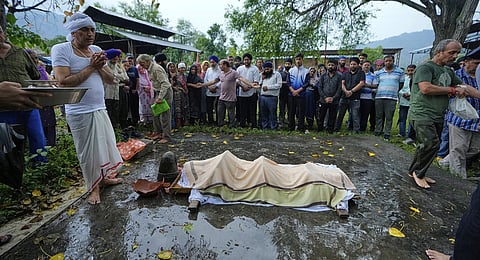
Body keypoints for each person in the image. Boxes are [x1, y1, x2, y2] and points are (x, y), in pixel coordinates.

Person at [51, 13, 123, 205]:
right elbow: (63, 82)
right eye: (85, 30)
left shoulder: (96, 49)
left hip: (100, 108)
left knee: (104, 148)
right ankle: (93, 188)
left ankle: (104, 178)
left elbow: (110, 79)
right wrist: (91, 67)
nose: (90, 34)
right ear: (74, 33)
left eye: (92, 29)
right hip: (79, 112)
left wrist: (99, 66)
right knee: (87, 153)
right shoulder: (61, 49)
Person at [407, 39, 475, 189]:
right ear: (439, 52)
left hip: (438, 114)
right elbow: (425, 88)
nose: (455, 56)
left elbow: (464, 87)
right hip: (422, 113)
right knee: (431, 144)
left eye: (457, 53)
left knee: (427, 145)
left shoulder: (448, 71)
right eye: (452, 53)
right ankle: (419, 174)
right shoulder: (425, 68)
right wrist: (451, 90)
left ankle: (414, 171)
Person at [0, 26, 48, 164]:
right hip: (4, 108)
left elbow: (35, 74)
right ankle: (11, 175)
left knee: (37, 138)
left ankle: (40, 167)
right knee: (7, 144)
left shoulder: (20, 52)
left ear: (4, 34)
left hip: (27, 104)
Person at [438, 52, 480, 179]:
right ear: (466, 61)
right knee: (458, 150)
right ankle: (458, 180)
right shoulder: (456, 76)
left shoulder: (478, 78)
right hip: (459, 119)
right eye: (476, 63)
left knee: (475, 148)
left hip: (477, 120)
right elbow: (462, 89)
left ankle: (445, 162)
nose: (478, 67)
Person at [202, 59, 258, 127]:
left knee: (231, 114)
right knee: (220, 113)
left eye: (221, 64)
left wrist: (251, 84)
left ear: (225, 65)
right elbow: (214, 81)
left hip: (231, 98)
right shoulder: (221, 74)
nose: (219, 66)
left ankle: (232, 126)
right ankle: (220, 126)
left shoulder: (233, 73)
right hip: (222, 97)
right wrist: (203, 85)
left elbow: (241, 78)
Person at [137, 53, 173, 143]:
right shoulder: (149, 69)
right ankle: (158, 133)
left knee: (165, 115)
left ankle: (167, 136)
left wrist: (160, 97)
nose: (141, 66)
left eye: (142, 64)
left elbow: (165, 84)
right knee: (155, 113)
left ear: (148, 61)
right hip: (158, 91)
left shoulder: (156, 69)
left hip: (165, 92)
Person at [26, 49, 57, 147]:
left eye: (35, 58)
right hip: (32, 102)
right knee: (38, 128)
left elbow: (49, 82)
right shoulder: (23, 71)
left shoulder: (41, 69)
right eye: (31, 58)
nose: (34, 60)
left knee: (50, 124)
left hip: (46, 100)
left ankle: (51, 146)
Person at [373, 55, 405, 141]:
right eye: (386, 61)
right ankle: (378, 130)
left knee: (389, 116)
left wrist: (394, 90)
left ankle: (387, 133)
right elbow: (376, 84)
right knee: (379, 115)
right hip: (379, 96)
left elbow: (401, 84)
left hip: (392, 98)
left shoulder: (400, 72)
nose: (388, 62)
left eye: (390, 61)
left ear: (393, 61)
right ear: (384, 62)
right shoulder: (379, 72)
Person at [334, 57, 365, 133]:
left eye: (354, 64)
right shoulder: (345, 73)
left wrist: (351, 91)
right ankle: (336, 128)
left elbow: (361, 83)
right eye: (351, 64)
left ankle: (356, 130)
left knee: (355, 115)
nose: (352, 66)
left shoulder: (361, 73)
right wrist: (346, 91)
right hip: (344, 97)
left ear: (358, 65)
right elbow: (342, 83)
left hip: (355, 98)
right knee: (340, 114)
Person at [103, 49, 129, 129]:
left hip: (116, 93)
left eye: (117, 58)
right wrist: (117, 77)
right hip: (107, 93)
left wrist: (116, 76)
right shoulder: (105, 66)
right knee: (109, 113)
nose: (116, 59)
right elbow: (113, 80)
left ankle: (117, 129)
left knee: (117, 112)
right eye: (114, 58)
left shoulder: (117, 66)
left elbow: (125, 78)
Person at [316, 59, 342, 133]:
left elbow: (339, 89)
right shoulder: (323, 76)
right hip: (323, 99)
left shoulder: (339, 76)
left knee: (332, 116)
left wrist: (333, 98)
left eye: (332, 65)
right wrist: (325, 97)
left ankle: (330, 129)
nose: (330, 67)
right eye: (329, 65)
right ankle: (320, 129)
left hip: (334, 100)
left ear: (336, 66)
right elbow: (320, 87)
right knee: (321, 115)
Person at [236, 53, 260, 128]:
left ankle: (253, 125)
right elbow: (237, 80)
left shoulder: (255, 69)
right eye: (245, 60)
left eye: (248, 60)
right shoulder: (240, 69)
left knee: (252, 110)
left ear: (250, 60)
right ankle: (242, 124)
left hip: (252, 92)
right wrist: (242, 86)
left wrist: (248, 87)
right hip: (241, 92)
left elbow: (256, 81)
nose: (246, 61)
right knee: (242, 110)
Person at [288, 52, 309, 133]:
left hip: (301, 95)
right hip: (291, 94)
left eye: (299, 59)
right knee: (291, 111)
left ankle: (300, 127)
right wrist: (293, 91)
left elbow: (306, 83)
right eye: (296, 59)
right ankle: (291, 127)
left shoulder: (306, 71)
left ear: (302, 60)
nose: (298, 61)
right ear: (294, 60)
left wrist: (297, 91)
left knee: (301, 112)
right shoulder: (291, 70)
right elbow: (288, 82)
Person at [258, 61, 282, 130]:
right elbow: (259, 85)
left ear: (272, 68)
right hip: (262, 97)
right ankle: (265, 126)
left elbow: (279, 85)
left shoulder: (277, 74)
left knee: (272, 113)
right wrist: (262, 79)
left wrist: (268, 87)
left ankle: (273, 127)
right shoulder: (262, 75)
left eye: (268, 69)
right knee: (263, 113)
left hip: (272, 97)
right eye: (265, 69)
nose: (266, 70)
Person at [398, 64, 416, 139]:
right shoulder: (404, 79)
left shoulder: (418, 79)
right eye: (408, 71)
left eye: (412, 70)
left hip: (413, 102)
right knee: (402, 118)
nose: (410, 72)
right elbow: (399, 88)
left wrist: (411, 96)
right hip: (403, 101)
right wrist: (403, 94)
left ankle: (410, 135)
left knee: (411, 120)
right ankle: (402, 133)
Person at [359, 60, 377, 132]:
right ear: (362, 66)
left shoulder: (373, 76)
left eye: (368, 65)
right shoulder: (358, 74)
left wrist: (367, 85)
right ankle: (356, 127)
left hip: (368, 98)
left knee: (365, 114)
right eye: (365, 65)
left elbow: (375, 86)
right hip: (358, 97)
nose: (366, 66)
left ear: (370, 66)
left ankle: (363, 128)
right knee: (357, 113)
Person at [204, 55, 221, 126]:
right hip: (209, 92)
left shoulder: (220, 70)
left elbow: (221, 80)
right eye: (211, 62)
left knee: (218, 108)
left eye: (213, 62)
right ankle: (210, 121)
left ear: (216, 62)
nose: (212, 64)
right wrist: (209, 87)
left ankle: (218, 121)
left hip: (217, 92)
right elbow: (205, 79)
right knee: (209, 108)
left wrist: (216, 87)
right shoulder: (208, 70)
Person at [172, 62, 189, 128]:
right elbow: (172, 85)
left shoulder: (186, 76)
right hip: (178, 94)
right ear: (178, 69)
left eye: (184, 68)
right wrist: (179, 88)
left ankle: (185, 121)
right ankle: (178, 122)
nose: (182, 69)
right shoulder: (175, 76)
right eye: (181, 68)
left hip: (185, 93)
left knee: (185, 106)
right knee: (178, 107)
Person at [278, 58, 292, 128]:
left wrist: (286, 83)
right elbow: (279, 82)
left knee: (290, 109)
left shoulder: (292, 73)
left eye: (289, 64)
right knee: (282, 109)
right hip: (282, 94)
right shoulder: (281, 74)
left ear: (291, 65)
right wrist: (287, 83)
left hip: (290, 94)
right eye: (286, 64)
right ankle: (281, 122)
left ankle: (290, 122)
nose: (287, 65)